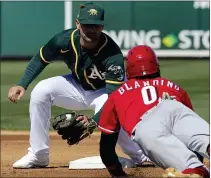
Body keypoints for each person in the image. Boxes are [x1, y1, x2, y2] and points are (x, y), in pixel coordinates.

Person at [8, 2, 150, 168]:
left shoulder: (113, 54)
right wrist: (22, 84)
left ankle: (141, 156)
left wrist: (93, 122)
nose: (90, 29)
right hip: (77, 85)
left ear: (101, 27)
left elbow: (114, 100)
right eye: (86, 25)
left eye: (95, 25)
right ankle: (38, 155)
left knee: (114, 111)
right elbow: (41, 58)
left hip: (105, 93)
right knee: (41, 91)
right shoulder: (63, 40)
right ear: (77, 24)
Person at [98, 45, 210, 178]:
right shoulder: (174, 87)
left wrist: (116, 172)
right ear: (156, 65)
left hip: (147, 125)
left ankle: (196, 170)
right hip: (174, 106)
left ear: (128, 69)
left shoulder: (117, 95)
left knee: (192, 169)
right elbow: (189, 131)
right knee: (206, 142)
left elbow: (107, 147)